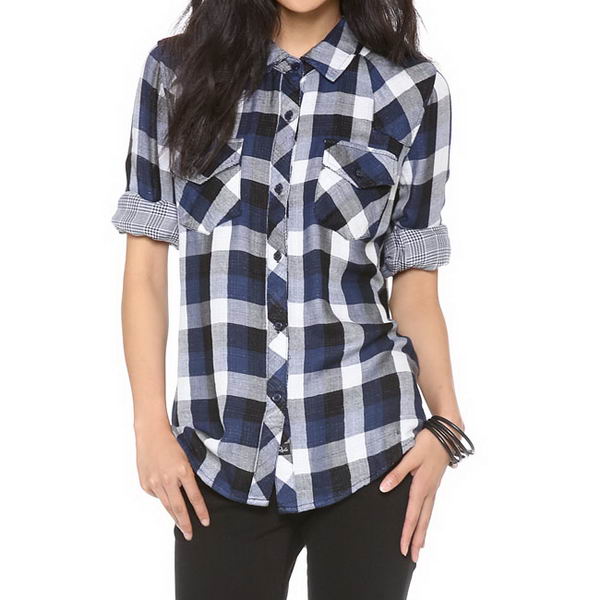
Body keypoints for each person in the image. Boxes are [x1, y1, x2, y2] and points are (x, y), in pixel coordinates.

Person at [111, 1, 473, 598]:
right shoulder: (176, 73)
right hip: (219, 457)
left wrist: (446, 423)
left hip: (369, 449)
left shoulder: (412, 89)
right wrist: (149, 426)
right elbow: (145, 270)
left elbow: (415, 287)